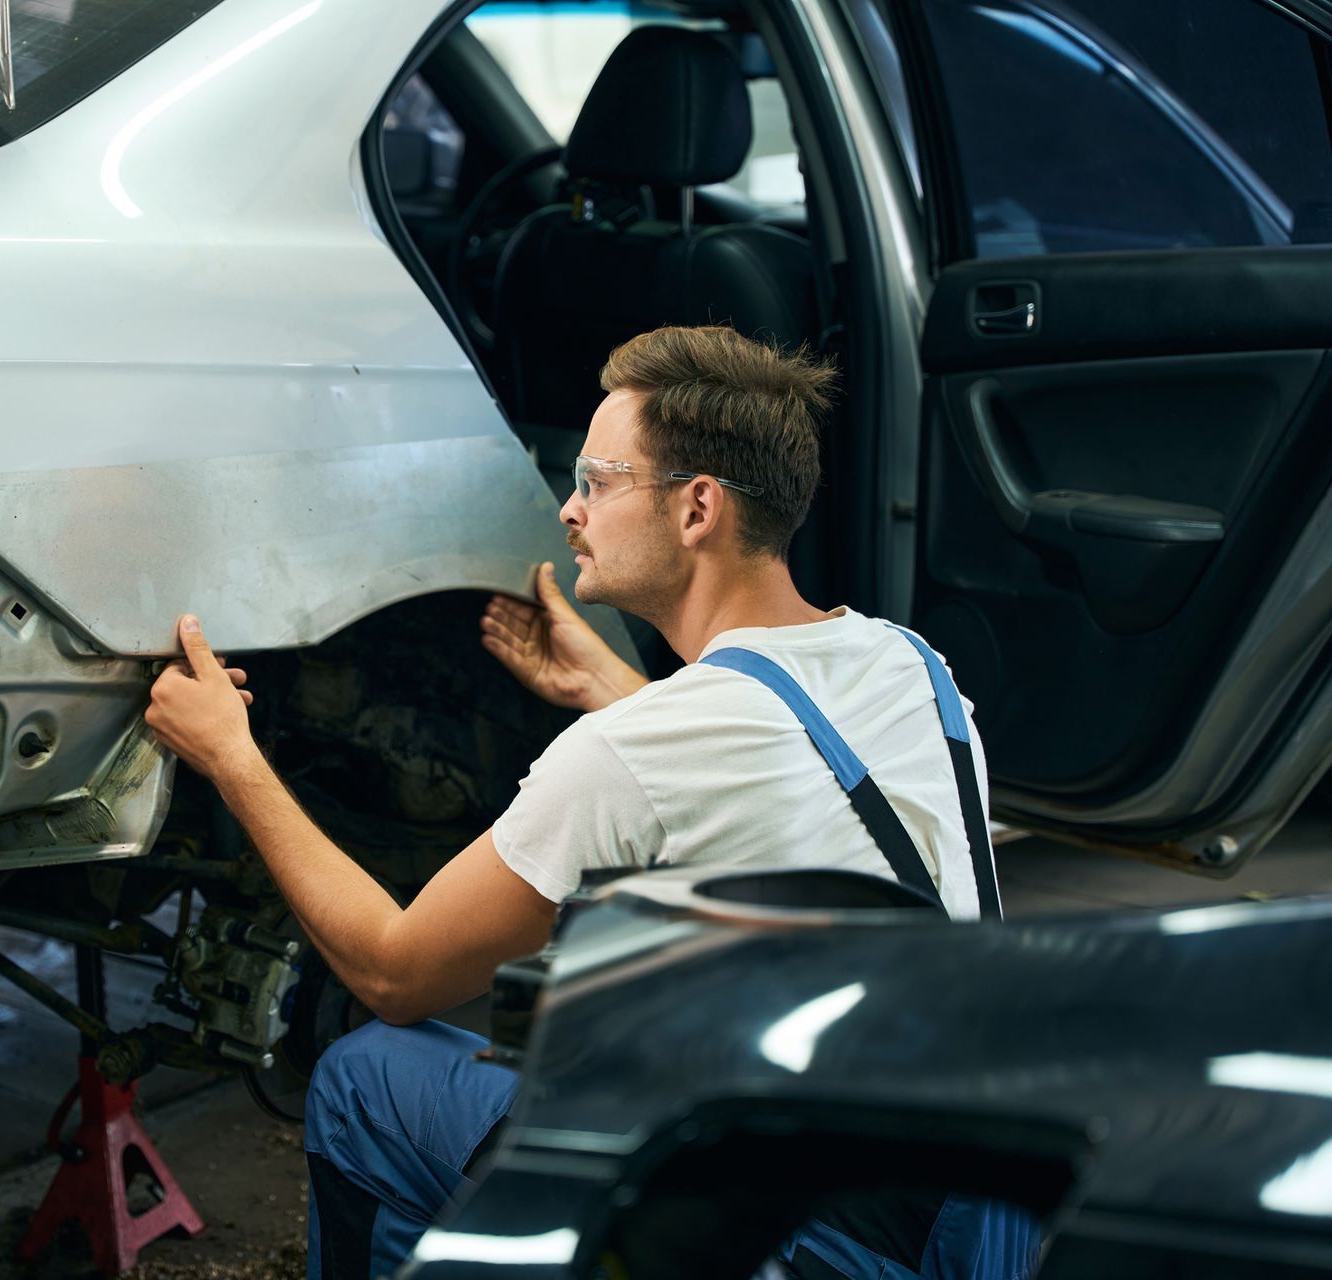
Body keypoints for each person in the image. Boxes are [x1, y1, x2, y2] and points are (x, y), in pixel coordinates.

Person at [144, 324, 1005, 1279]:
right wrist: (610, 684)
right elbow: (789, 775)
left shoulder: (627, 755)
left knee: (369, 1074)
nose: (570, 509)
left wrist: (232, 754)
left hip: (789, 1246)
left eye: (597, 480)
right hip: (956, 1215)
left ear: (697, 509)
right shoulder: (912, 668)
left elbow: (394, 972)